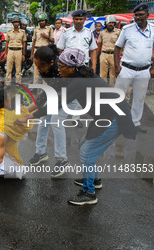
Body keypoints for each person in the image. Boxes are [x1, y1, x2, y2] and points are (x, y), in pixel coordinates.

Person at [17, 48, 136, 205]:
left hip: (114, 118)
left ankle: (89, 193)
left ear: (72, 67)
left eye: (61, 67)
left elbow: (55, 104)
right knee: (83, 146)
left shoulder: (78, 82)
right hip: (106, 116)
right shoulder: (79, 77)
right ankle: (94, 180)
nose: (58, 70)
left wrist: (29, 117)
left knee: (87, 153)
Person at [26, 45, 77, 177]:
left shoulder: (61, 70)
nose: (38, 68)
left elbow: (50, 98)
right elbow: (46, 93)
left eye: (40, 65)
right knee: (44, 120)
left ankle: (62, 159)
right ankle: (40, 152)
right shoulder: (45, 69)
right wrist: (25, 111)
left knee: (56, 121)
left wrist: (29, 114)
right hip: (56, 93)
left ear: (52, 62)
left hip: (70, 96)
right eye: (35, 65)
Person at [114, 3, 154, 134]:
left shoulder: (153, 29)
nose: (138, 17)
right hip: (126, 69)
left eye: (141, 15)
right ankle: (115, 122)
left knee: (139, 98)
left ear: (147, 15)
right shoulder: (127, 29)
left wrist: (153, 69)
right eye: (136, 15)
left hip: (144, 70)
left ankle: (135, 123)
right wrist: (117, 66)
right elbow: (117, 47)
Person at [31, 13, 54, 83]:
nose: (41, 22)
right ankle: (35, 85)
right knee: (36, 69)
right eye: (40, 21)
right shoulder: (36, 30)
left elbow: (53, 40)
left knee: (45, 68)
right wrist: (32, 54)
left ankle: (45, 86)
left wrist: (46, 37)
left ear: (45, 21)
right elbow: (34, 41)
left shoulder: (49, 29)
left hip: (45, 50)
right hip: (37, 49)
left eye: (43, 20)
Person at [97, 15, 120, 86]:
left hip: (114, 55)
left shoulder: (118, 32)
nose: (111, 24)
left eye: (113, 23)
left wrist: (120, 55)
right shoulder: (102, 32)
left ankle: (111, 92)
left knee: (113, 75)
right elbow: (99, 44)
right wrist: (97, 56)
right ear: (106, 23)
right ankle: (103, 91)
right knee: (102, 75)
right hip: (104, 54)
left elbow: (121, 45)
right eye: (110, 23)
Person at [5, 16, 26, 84]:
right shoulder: (9, 32)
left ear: (19, 23)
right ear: (13, 23)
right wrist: (5, 53)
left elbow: (24, 43)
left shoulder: (22, 32)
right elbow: (7, 43)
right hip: (10, 51)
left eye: (17, 22)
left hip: (19, 51)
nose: (16, 24)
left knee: (18, 70)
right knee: (9, 69)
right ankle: (8, 84)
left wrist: (23, 54)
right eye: (14, 22)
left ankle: (18, 84)